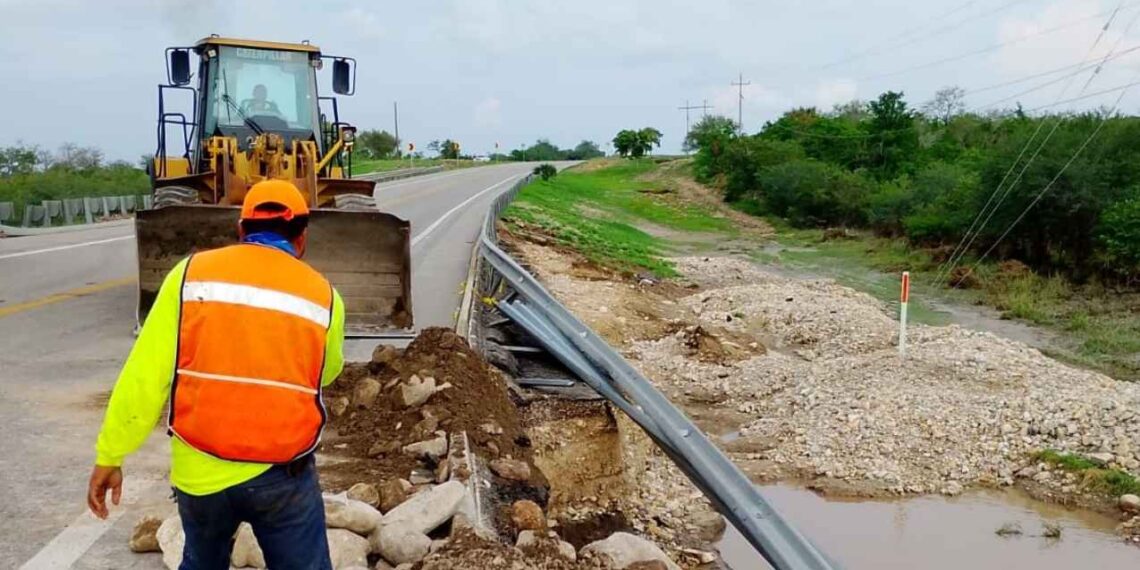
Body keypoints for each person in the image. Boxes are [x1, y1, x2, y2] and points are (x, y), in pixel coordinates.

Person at [87, 180, 345, 570]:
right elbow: (326, 372)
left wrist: (111, 455)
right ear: (302, 238)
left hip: (200, 471)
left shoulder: (189, 276)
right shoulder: (325, 296)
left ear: (241, 230)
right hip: (283, 474)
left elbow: (145, 375)